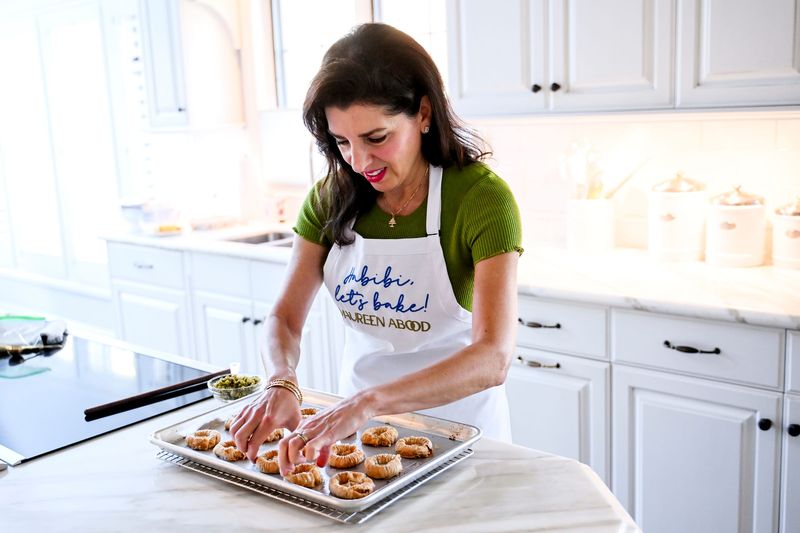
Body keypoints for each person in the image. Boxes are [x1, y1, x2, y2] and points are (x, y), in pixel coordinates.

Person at [230, 23, 522, 476]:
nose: (360, 162)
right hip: (355, 437)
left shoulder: (481, 199)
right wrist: (281, 381)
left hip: (465, 440)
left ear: (423, 113)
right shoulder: (330, 198)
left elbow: (493, 356)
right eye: (342, 142)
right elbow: (284, 318)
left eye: (377, 138)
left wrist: (368, 402)